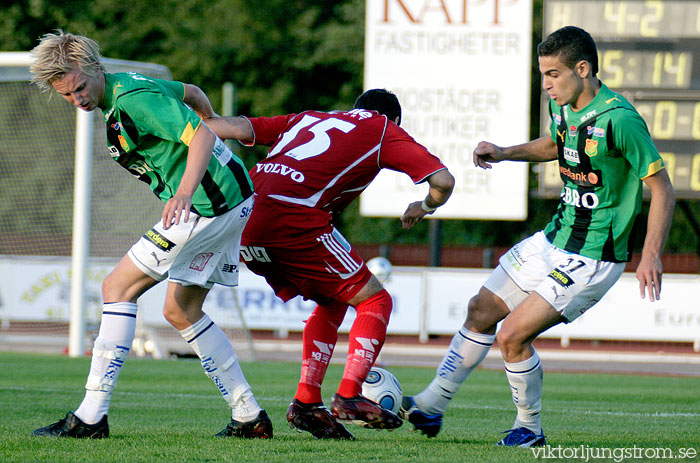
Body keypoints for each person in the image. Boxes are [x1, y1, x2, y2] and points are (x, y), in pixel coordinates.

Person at [399, 25, 676, 447]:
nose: (546, 84)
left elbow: (662, 187)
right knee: (480, 310)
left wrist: (651, 254)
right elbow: (556, 144)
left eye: (553, 74)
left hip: (593, 255)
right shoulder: (563, 108)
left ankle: (529, 429)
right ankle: (431, 406)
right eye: (542, 74)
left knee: (513, 335)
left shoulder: (620, 120)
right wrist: (506, 152)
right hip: (554, 238)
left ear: (583, 69)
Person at [28, 30, 272, 439]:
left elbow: (203, 134)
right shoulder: (129, 85)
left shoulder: (132, 100)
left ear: (91, 66)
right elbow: (192, 93)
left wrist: (185, 189)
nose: (78, 100)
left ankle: (91, 415)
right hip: (232, 199)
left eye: (80, 88)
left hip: (206, 207)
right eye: (68, 96)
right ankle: (249, 415)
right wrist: (206, 124)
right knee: (181, 311)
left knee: (117, 287)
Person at [204, 89, 455, 439]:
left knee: (334, 297)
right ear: (394, 119)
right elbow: (443, 181)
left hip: (242, 218)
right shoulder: (383, 128)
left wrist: (191, 122)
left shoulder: (311, 117)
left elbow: (239, 127)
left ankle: (307, 403)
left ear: (354, 109)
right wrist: (425, 205)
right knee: (375, 300)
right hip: (291, 218)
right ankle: (349, 396)